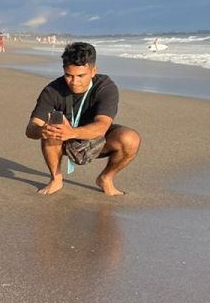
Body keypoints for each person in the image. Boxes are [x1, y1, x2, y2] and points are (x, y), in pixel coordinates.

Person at [25, 41, 141, 197]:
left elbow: (102, 126)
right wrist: (42, 130)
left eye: (81, 76)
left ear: (94, 71)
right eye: (68, 75)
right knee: (51, 130)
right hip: (62, 141)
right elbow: (30, 129)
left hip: (96, 138)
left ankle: (106, 178)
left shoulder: (105, 87)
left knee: (131, 139)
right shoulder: (52, 90)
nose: (74, 82)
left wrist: (72, 132)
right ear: (63, 70)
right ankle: (56, 178)